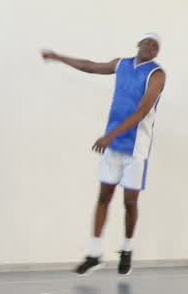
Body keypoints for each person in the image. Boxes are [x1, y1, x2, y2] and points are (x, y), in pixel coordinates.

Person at [40, 34, 166, 275]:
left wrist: (110, 135)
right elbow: (89, 66)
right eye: (148, 42)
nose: (151, 47)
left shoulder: (156, 74)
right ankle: (94, 253)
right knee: (103, 197)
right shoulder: (121, 64)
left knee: (129, 202)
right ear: (138, 43)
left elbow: (142, 111)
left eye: (156, 46)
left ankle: (127, 248)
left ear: (157, 53)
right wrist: (58, 57)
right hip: (113, 146)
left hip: (136, 148)